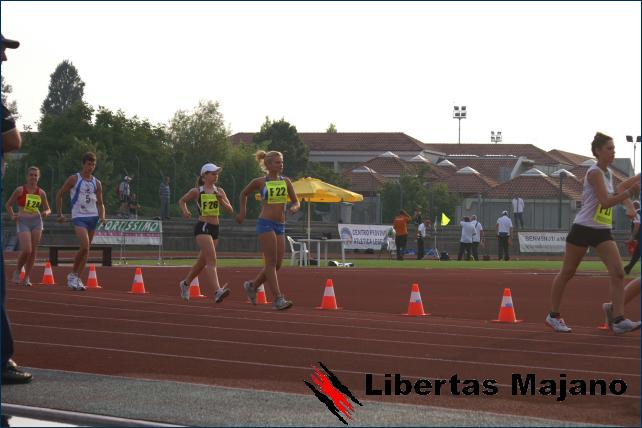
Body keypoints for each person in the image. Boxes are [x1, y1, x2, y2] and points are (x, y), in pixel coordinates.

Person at [545, 133, 640, 334]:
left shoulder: (608, 173)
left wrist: (629, 205)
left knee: (618, 272)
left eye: (614, 148)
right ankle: (553, 315)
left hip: (602, 230)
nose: (613, 152)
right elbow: (605, 202)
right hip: (583, 228)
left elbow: (616, 193)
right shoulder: (595, 173)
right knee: (567, 272)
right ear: (598, 151)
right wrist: (628, 194)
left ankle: (618, 319)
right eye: (609, 148)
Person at [1, 32, 32, 383]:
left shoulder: (35, 190)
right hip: (24, 221)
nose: (4, 58)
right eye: (1, 50)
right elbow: (13, 139)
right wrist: (14, 212)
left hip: (34, 221)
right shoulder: (22, 189)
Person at [236, 150, 300, 310]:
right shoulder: (260, 182)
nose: (281, 164)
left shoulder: (286, 181)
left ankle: (252, 285)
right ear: (268, 164)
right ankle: (278, 299)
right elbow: (243, 194)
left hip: (280, 225)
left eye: (282, 162)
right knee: (270, 262)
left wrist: (294, 207)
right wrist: (242, 212)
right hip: (266, 223)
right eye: (278, 162)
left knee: (277, 264)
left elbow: (296, 201)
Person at [178, 163, 234, 303]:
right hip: (203, 226)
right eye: (213, 173)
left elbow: (230, 210)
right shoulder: (197, 191)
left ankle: (185, 283)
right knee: (212, 259)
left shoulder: (219, 191)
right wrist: (185, 211)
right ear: (204, 176)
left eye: (217, 173)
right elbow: (182, 201)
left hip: (215, 228)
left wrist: (221, 200)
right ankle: (217, 291)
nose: (216, 176)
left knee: (202, 262)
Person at [56, 152, 106, 290]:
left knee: (86, 250)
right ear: (83, 164)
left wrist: (102, 216)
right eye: (89, 164)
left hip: (93, 217)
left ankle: (77, 278)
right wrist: (59, 214)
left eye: (93, 165)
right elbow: (59, 195)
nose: (91, 167)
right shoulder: (74, 179)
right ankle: (72, 275)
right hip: (79, 217)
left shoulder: (97, 183)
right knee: (84, 246)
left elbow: (100, 203)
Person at [5, 166, 52, 286]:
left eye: (35, 175)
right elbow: (8, 205)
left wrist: (46, 213)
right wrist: (12, 216)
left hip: (37, 221)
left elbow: (48, 209)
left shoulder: (41, 192)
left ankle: (27, 277)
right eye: (31, 175)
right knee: (27, 250)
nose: (33, 177)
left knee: (33, 251)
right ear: (27, 176)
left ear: (38, 177)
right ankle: (18, 270)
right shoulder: (20, 190)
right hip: (23, 221)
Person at [623, 200, 640, 275]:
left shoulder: (637, 213)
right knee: (637, 253)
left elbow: (637, 225)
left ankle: (628, 268)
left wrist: (631, 238)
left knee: (637, 253)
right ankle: (628, 268)